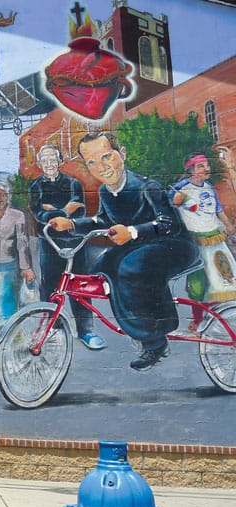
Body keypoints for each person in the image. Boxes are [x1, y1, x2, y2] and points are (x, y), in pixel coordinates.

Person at [50, 131, 198, 371]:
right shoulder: (106, 193)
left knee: (132, 266)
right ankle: (135, 323)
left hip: (175, 246)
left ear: (123, 154)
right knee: (101, 269)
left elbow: (168, 224)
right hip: (139, 247)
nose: (101, 167)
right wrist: (73, 225)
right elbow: (103, 221)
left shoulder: (147, 186)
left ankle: (155, 338)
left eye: (106, 157)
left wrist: (132, 231)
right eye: (92, 162)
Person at [29, 144, 106, 350]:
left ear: (60, 160)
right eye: (44, 160)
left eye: (52, 159)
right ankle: (52, 328)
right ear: (39, 163)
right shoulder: (35, 186)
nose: (49, 164)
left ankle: (86, 331)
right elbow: (39, 214)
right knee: (50, 286)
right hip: (50, 244)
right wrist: (64, 211)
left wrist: (54, 211)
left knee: (79, 287)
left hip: (76, 243)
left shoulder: (74, 184)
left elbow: (78, 212)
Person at [170, 153, 236, 333]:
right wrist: (174, 201)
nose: (206, 169)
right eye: (201, 166)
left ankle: (221, 318)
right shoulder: (180, 189)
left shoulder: (209, 187)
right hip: (196, 241)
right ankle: (198, 320)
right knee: (198, 283)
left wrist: (228, 225)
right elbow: (169, 209)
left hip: (216, 238)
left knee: (223, 278)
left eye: (206, 165)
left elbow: (218, 209)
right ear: (191, 170)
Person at [0, 180, 35, 363]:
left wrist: (25, 267)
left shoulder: (17, 216)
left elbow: (22, 242)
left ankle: (13, 346)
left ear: (8, 196)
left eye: (1, 195)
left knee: (12, 309)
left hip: (11, 268)